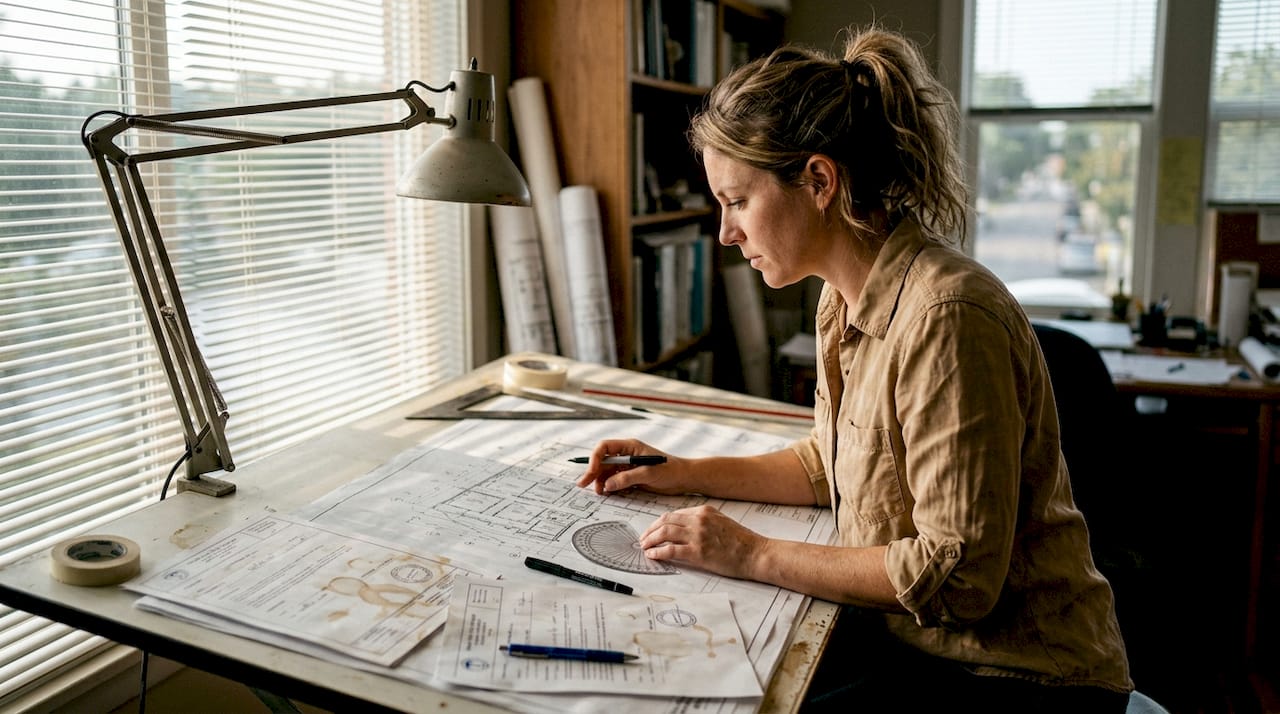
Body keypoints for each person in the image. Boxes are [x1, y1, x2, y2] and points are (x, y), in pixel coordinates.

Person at [576, 24, 1133, 713]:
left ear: (819, 181)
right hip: (919, 647)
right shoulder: (842, 299)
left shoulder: (947, 318)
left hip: (1019, 677)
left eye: (737, 201)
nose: (725, 232)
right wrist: (679, 471)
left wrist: (749, 553)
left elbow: (956, 577)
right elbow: (829, 463)